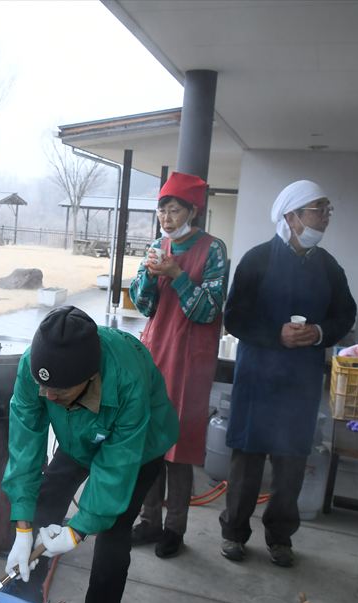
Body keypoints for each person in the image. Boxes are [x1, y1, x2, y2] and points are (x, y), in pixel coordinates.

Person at [2, 306, 178, 603]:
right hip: (78, 437)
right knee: (45, 498)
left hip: (137, 446)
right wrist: (22, 527)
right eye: (42, 389)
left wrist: (78, 531)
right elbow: (25, 443)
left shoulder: (127, 378)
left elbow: (116, 469)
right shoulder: (36, 368)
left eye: (58, 393)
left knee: (112, 537)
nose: (46, 397)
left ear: (89, 379)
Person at [220, 180, 356, 568]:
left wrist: (318, 334)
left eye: (327, 210)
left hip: (301, 380)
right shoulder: (257, 259)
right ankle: (234, 533)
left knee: (292, 463)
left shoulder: (328, 266)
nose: (324, 217)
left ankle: (280, 537)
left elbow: (345, 314)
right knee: (246, 462)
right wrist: (275, 334)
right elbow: (235, 318)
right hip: (258, 377)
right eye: (318, 209)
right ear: (292, 216)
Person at [128, 172, 229, 558]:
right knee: (151, 442)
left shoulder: (213, 249)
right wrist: (151, 280)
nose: (166, 218)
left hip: (191, 360)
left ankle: (175, 529)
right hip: (156, 355)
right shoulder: (157, 246)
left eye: (174, 210)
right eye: (161, 211)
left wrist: (178, 275)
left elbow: (209, 308)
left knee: (180, 447)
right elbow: (144, 306)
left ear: (193, 210)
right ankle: (149, 520)